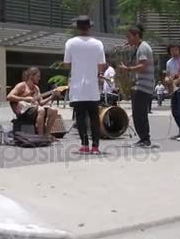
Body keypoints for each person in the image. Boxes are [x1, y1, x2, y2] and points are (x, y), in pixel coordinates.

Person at [63, 15, 106, 154]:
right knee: (94, 117)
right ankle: (96, 147)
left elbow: (66, 64)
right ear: (90, 27)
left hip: (77, 87)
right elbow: (102, 64)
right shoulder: (98, 43)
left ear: (77, 27)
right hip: (92, 87)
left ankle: (84, 145)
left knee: (80, 117)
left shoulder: (70, 43)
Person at [119, 24, 154, 147]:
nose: (128, 40)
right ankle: (144, 138)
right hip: (142, 85)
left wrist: (127, 68)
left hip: (143, 86)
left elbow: (143, 66)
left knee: (139, 114)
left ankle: (145, 139)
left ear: (137, 35)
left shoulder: (143, 48)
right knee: (139, 113)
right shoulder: (141, 47)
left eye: (129, 37)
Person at [7, 67, 60, 137]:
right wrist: (25, 99)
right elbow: (9, 97)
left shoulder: (36, 88)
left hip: (34, 109)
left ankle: (47, 135)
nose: (39, 78)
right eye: (38, 76)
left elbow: (41, 102)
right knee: (41, 110)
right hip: (23, 111)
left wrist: (51, 97)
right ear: (31, 76)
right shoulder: (22, 85)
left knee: (54, 110)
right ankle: (40, 136)